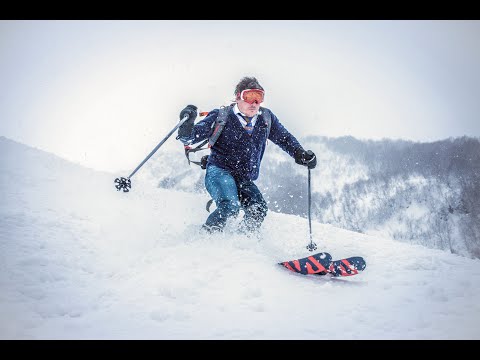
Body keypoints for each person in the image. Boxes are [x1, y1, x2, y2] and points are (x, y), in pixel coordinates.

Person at [177, 76, 316, 234]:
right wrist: (187, 124)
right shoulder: (221, 116)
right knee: (230, 206)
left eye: (259, 97)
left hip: (243, 177)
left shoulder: (266, 118)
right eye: (249, 96)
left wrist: (300, 154)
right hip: (218, 171)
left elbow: (284, 139)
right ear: (238, 97)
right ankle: (204, 241)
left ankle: (242, 245)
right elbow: (190, 137)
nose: (255, 103)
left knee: (258, 209)